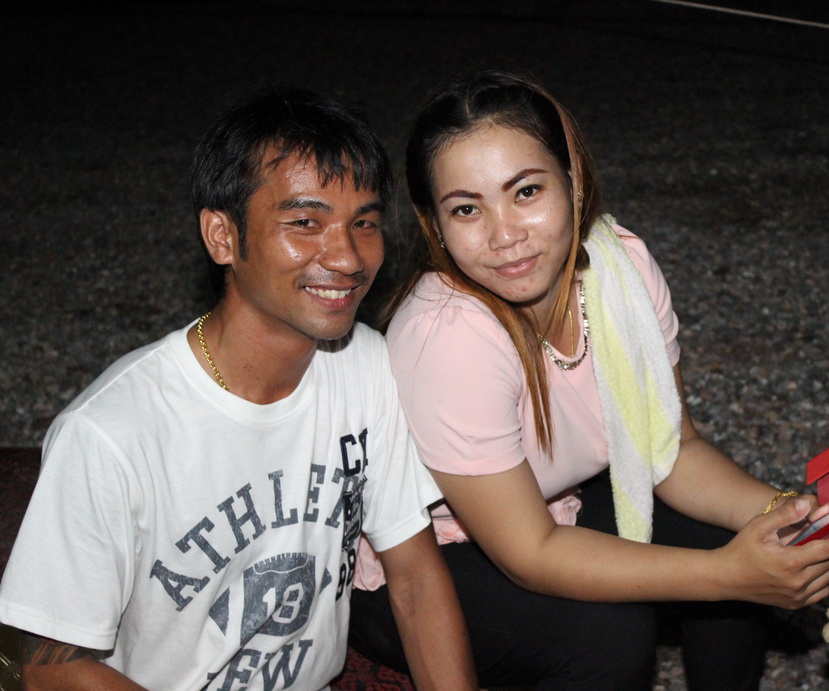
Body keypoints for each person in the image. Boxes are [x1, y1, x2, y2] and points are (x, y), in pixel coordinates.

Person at [348, 70, 829, 690]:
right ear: (435, 224)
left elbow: (673, 450)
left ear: (574, 180)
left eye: (526, 191)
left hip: (555, 507)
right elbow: (530, 552)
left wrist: (790, 515)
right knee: (609, 636)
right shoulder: (445, 337)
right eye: (467, 209)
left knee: (740, 533)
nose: (505, 235)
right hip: (426, 556)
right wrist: (729, 574)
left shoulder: (620, 270)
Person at [0, 87, 477, 691]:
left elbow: (413, 577)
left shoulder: (363, 365)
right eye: (304, 222)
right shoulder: (109, 433)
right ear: (222, 236)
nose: (348, 256)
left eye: (364, 222)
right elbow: (44, 665)